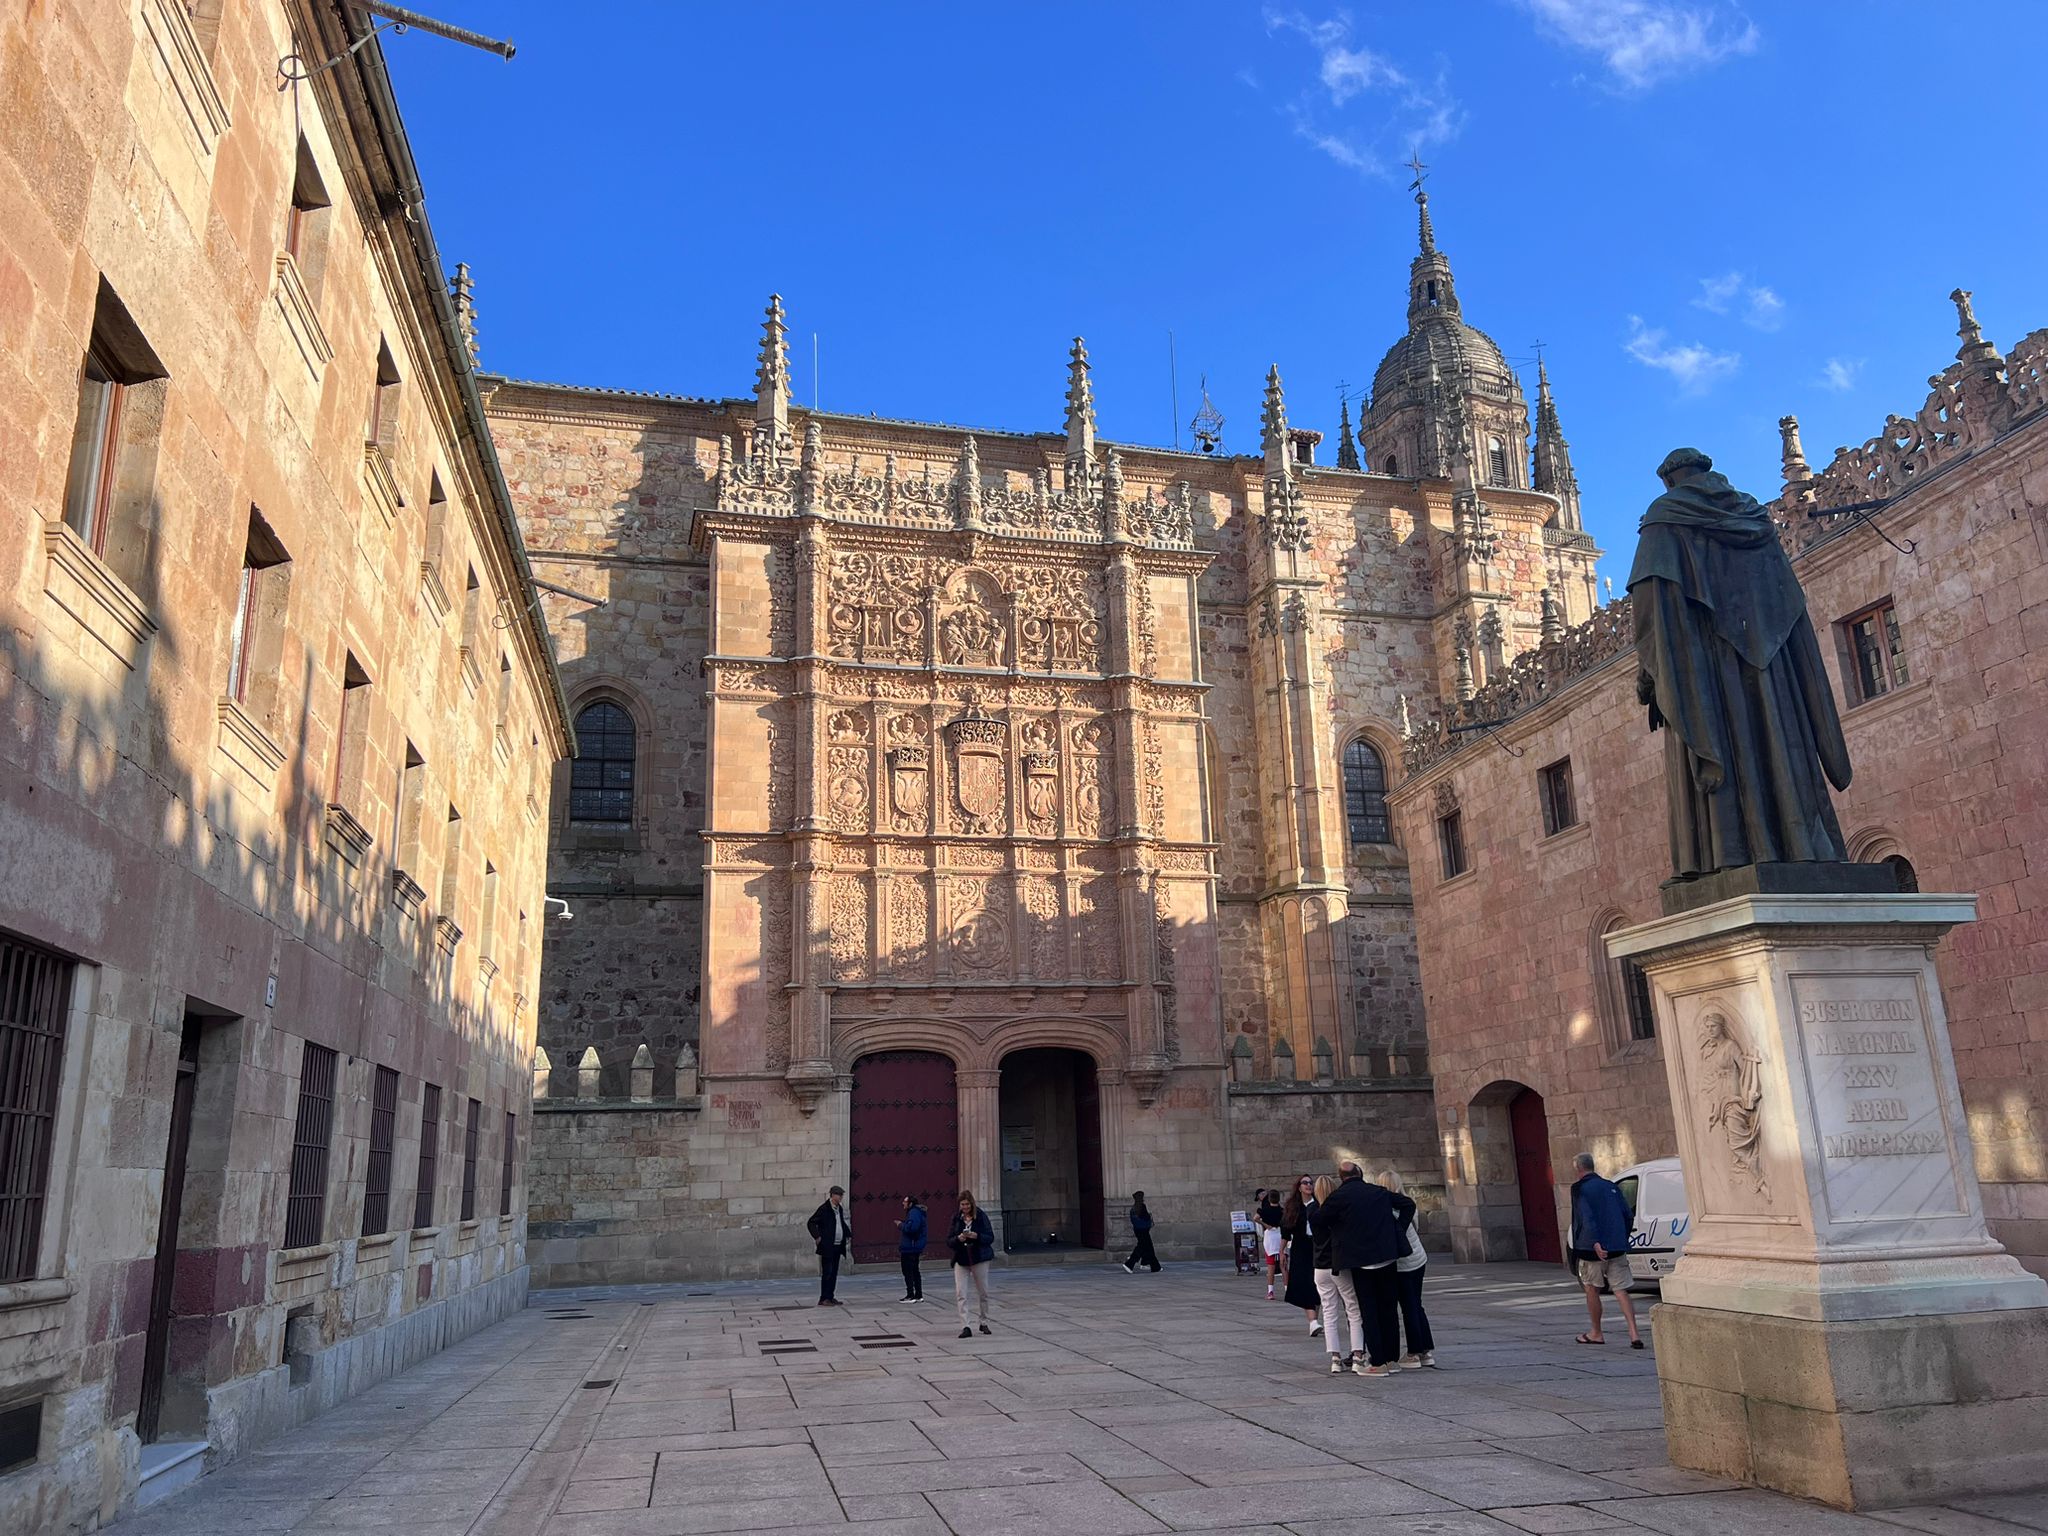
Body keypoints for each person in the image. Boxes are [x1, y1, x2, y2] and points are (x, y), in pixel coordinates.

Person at [1628, 447, 1853, 881]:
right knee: (1777, 744)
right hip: (1769, 667)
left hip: (1705, 669)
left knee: (1727, 747)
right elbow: (1785, 599)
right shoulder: (1754, 519)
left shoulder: (1665, 519)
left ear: (1671, 480)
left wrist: (1652, 671)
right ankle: (1800, 846)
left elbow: (1650, 602)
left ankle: (1726, 854)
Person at [1318, 1159, 1414, 1376]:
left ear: (1341, 1177)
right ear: (1360, 1173)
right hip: (1387, 1258)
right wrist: (1396, 1229)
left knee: (1369, 1312)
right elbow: (1408, 1204)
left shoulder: (1338, 1197)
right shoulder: (1378, 1192)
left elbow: (1321, 1220)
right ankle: (1391, 1359)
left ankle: (1378, 1362)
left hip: (1362, 1262)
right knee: (1388, 1309)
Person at [1569, 1153, 1643, 1348]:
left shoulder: (1579, 1188)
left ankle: (1596, 1332)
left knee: (1592, 1288)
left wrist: (1595, 1241)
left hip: (1591, 1248)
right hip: (1616, 1246)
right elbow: (1627, 1214)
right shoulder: (1611, 1186)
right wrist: (1621, 1238)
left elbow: (1586, 1215)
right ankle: (1634, 1333)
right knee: (1621, 1290)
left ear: (1578, 1169)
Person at [1378, 1169, 1435, 1368]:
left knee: (1409, 1307)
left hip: (1403, 1264)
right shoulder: (1407, 1201)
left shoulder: (1388, 1208)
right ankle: (1426, 1350)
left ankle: (1413, 1353)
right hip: (1418, 1257)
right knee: (1416, 1304)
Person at [1309, 1174, 1365, 1374]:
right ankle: (1358, 1354)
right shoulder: (1337, 1210)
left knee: (1329, 1312)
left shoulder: (1313, 1210)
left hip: (1320, 1266)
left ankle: (1335, 1357)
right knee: (1353, 1309)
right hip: (1338, 1264)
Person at [947, 1189, 995, 1338]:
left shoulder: (980, 1217)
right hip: (961, 1258)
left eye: (967, 1204)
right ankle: (965, 1325)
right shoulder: (956, 1218)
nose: (965, 1207)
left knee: (983, 1292)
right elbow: (949, 1240)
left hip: (979, 1257)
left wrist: (977, 1236)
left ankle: (984, 1321)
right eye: (962, 1204)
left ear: (972, 1204)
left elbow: (990, 1237)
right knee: (961, 1293)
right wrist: (958, 1239)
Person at [1280, 1175, 1322, 1336]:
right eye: (1305, 1183)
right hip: (1300, 1247)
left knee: (1317, 1283)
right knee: (1304, 1282)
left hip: (1317, 1246)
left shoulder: (1318, 1205)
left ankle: (1314, 1321)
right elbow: (1286, 1231)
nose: (1309, 1185)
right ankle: (1312, 1321)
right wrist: (1282, 1251)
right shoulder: (1294, 1207)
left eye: (1311, 1183)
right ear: (1299, 1187)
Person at [806, 1185, 851, 1307]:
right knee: (827, 1272)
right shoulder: (824, 1209)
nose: (841, 1197)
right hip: (827, 1246)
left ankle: (830, 1296)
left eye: (842, 1195)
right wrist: (817, 1236)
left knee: (834, 1272)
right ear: (833, 1195)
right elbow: (811, 1222)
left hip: (837, 1245)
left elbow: (840, 1223)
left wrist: (847, 1234)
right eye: (839, 1195)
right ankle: (823, 1298)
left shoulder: (839, 1208)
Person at [896, 1194, 927, 1303]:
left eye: (905, 1201)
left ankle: (911, 1295)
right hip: (914, 1246)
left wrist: (900, 1225)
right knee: (915, 1270)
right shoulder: (916, 1212)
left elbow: (912, 1228)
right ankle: (918, 1294)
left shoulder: (913, 1213)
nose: (903, 1203)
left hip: (910, 1247)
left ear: (911, 1203)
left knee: (908, 1270)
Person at [1256, 1186, 1285, 1299]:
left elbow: (1256, 1218)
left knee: (1271, 1266)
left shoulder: (1265, 1210)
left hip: (1270, 1236)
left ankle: (1270, 1291)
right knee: (1284, 1266)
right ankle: (1287, 1289)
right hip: (1281, 1235)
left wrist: (1266, 1225)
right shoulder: (1282, 1210)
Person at [1122, 1191, 1161, 1273]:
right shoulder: (1142, 1206)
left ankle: (1148, 1264)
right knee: (1142, 1247)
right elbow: (1146, 1217)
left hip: (1137, 1230)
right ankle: (1129, 1264)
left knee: (1148, 1246)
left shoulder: (1133, 1208)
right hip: (1144, 1230)